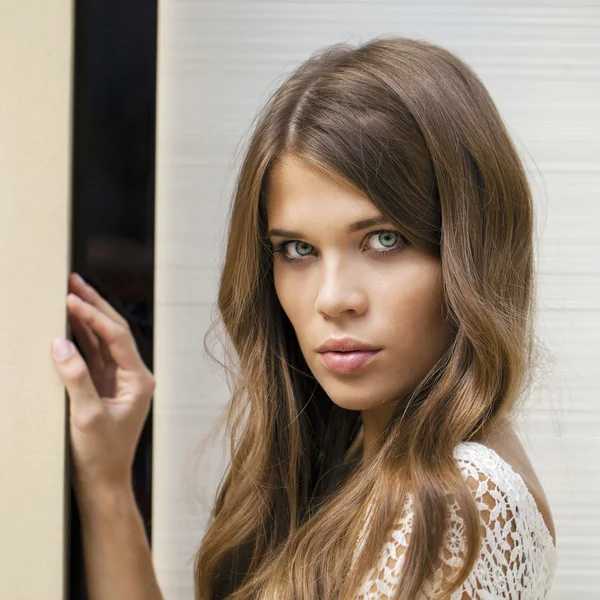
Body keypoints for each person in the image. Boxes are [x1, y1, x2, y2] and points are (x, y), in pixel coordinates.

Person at [50, 35, 558, 599]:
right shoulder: (361, 463)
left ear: (472, 248)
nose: (333, 298)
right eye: (297, 250)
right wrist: (107, 481)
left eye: (383, 239)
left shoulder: (460, 499)